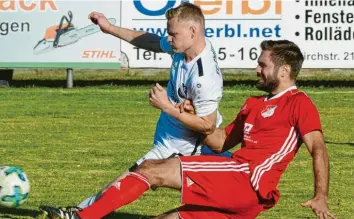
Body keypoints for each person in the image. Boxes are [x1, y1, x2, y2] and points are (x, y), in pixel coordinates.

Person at [39, 40, 336, 219]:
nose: (257, 69)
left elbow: (318, 149)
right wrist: (190, 115)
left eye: (263, 65)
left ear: (284, 71)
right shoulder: (252, 104)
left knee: (150, 169)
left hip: (247, 180)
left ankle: (81, 216)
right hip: (242, 196)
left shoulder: (299, 103)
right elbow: (219, 143)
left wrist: (320, 195)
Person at [71, 2, 231, 210]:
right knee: (230, 180)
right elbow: (153, 42)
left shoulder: (204, 77)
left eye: (173, 34)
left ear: (193, 31)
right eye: (169, 34)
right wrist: (109, 28)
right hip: (172, 137)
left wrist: (167, 107)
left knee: (129, 178)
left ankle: (79, 212)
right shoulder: (184, 48)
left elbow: (207, 126)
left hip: (179, 146)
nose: (170, 40)